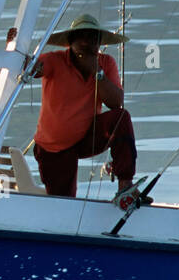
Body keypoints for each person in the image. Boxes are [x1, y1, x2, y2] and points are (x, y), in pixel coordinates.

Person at [28, 12, 139, 205]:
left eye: (93, 38)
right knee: (64, 203)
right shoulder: (55, 60)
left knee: (121, 117)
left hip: (87, 136)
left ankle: (125, 185)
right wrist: (15, 49)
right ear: (70, 41)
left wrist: (97, 72)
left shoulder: (105, 63)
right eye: (82, 37)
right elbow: (34, 69)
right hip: (54, 148)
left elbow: (115, 103)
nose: (88, 43)